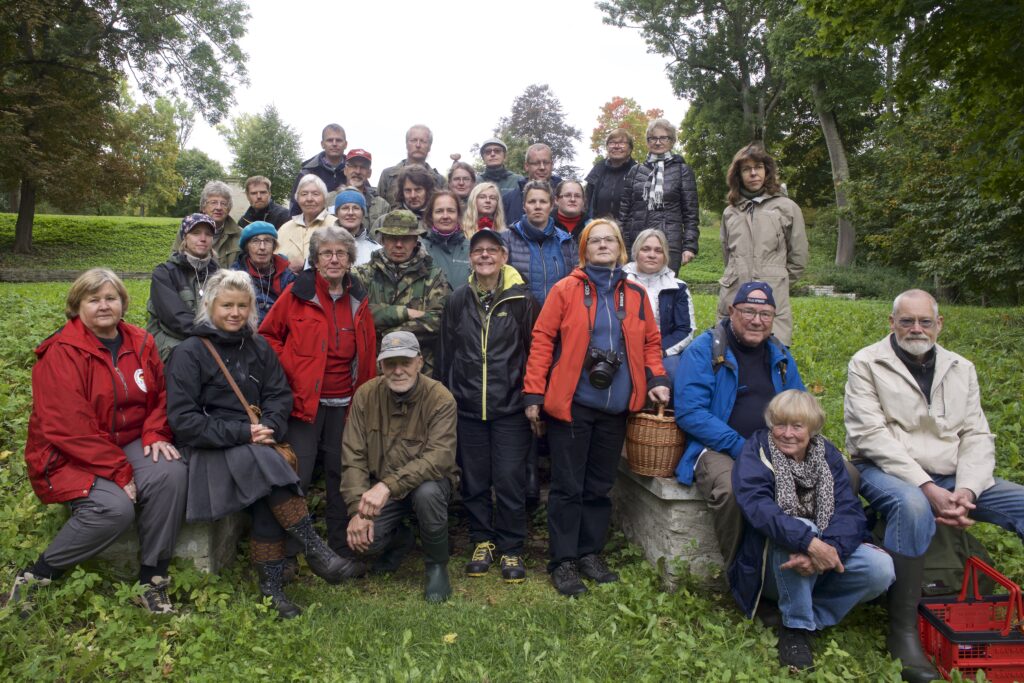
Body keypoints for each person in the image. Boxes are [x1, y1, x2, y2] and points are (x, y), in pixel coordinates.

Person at [845, 289, 1024, 683]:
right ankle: (903, 631)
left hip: (955, 477)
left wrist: (969, 490)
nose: (916, 328)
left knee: (1022, 503)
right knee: (912, 506)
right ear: (891, 323)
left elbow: (977, 435)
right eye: (906, 321)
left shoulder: (962, 367)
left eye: (925, 321)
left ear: (939, 324)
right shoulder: (866, 363)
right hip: (885, 470)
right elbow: (872, 436)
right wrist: (927, 487)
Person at [166, 271, 361, 619]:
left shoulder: (257, 346)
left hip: (254, 450)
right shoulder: (189, 352)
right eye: (227, 305)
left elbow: (278, 394)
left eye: (243, 306)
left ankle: (274, 593)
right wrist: (244, 433)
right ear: (209, 305)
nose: (235, 313)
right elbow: (184, 422)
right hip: (211, 452)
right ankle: (313, 551)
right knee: (272, 471)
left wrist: (269, 425)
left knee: (267, 482)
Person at [8, 269, 188, 616]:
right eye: (93, 299)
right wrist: (120, 471)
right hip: (70, 453)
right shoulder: (61, 352)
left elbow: (162, 396)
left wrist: (154, 433)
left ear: (123, 302)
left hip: (130, 439)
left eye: (111, 298)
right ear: (77, 307)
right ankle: (37, 575)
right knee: (114, 509)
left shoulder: (141, 342)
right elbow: (68, 427)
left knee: (170, 474)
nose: (104, 306)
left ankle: (152, 578)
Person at [524, 219, 671, 597]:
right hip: (573, 405)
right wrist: (534, 393)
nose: (603, 245)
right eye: (595, 241)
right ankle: (564, 560)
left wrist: (657, 379)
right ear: (584, 249)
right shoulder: (565, 290)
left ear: (621, 248)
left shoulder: (635, 294)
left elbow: (652, 343)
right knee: (568, 487)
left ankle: (590, 553)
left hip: (617, 406)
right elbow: (541, 340)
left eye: (610, 240)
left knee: (600, 488)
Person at [732, 390, 894, 671]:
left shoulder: (828, 455)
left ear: (812, 428)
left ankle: (807, 618)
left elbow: (848, 511)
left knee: (880, 568)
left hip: (818, 558)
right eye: (780, 424)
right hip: (773, 565)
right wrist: (809, 541)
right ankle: (796, 629)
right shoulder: (756, 450)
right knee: (801, 525)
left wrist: (828, 548)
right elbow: (758, 507)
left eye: (797, 426)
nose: (787, 433)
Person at [260, 226, 376, 556]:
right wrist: (293, 366)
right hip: (305, 403)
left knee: (343, 474)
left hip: (347, 403)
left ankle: (340, 549)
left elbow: (368, 347)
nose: (334, 259)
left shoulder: (359, 297)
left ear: (351, 259)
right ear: (316, 259)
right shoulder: (299, 293)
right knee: (299, 473)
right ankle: (295, 551)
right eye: (327, 253)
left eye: (341, 253)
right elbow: (268, 336)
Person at [673, 282, 805, 570]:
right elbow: (691, 412)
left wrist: (796, 441)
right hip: (717, 448)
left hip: (777, 444)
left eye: (766, 314)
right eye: (749, 311)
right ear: (732, 311)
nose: (757, 321)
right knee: (734, 490)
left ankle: (806, 561)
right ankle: (742, 572)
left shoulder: (780, 354)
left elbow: (800, 405)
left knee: (841, 474)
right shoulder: (704, 349)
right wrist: (742, 447)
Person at [436, 229, 539, 583]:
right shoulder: (457, 300)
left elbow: (535, 353)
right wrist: (448, 399)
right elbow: (446, 354)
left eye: (491, 250)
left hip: (510, 406)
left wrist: (532, 398)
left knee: (510, 479)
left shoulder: (522, 300)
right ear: (471, 258)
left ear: (503, 256)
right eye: (477, 251)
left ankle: (511, 547)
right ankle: (483, 540)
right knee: (475, 480)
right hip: (467, 408)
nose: (484, 256)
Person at [340, 331, 459, 602]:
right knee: (361, 543)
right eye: (390, 363)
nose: (398, 371)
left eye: (405, 362)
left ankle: (437, 566)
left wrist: (386, 486)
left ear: (419, 362)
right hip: (384, 492)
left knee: (427, 493)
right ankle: (400, 540)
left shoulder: (441, 398)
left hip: (429, 484)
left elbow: (439, 458)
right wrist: (356, 509)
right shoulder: (365, 395)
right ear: (380, 365)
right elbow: (353, 456)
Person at [718, 144, 808, 346]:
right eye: (746, 169)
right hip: (734, 292)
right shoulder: (730, 212)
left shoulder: (787, 208)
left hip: (773, 293)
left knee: (773, 355)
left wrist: (777, 280)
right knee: (731, 354)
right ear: (738, 175)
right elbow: (727, 255)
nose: (753, 173)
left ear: (766, 171)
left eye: (758, 167)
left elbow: (799, 258)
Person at [354, 210, 450, 375]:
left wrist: (387, 334)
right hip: (373, 370)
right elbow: (357, 315)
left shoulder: (433, 276)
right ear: (383, 240)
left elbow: (436, 321)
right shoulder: (363, 274)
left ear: (415, 241)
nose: (399, 245)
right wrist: (404, 312)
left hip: (420, 372)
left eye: (405, 239)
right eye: (392, 238)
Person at [619, 118, 699, 272]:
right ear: (647, 142)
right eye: (653, 138)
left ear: (672, 141)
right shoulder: (635, 171)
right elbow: (624, 212)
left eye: (663, 138)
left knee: (664, 293)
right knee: (634, 291)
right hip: (636, 243)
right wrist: (621, 243)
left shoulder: (683, 171)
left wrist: (689, 246)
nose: (657, 142)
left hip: (669, 245)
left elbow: (691, 214)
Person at [623, 228, 694, 379]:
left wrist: (658, 351)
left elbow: (685, 330)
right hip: (625, 348)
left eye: (658, 250)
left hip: (663, 350)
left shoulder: (678, 287)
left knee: (674, 375)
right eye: (646, 249)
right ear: (636, 253)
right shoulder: (619, 283)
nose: (652, 255)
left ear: (665, 256)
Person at [147, 213, 220, 361]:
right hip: (171, 339)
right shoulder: (164, 273)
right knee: (190, 355)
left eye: (208, 234)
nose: (203, 238)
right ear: (185, 238)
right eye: (196, 233)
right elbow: (176, 318)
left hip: (212, 338)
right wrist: (215, 333)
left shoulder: (220, 275)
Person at [502, 180, 575, 307]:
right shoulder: (507, 239)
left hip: (557, 319)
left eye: (543, 201)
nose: (537, 206)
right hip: (520, 320)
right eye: (532, 202)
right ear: (524, 206)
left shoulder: (566, 241)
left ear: (551, 205)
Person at [230, 221, 295, 323]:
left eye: (268, 241)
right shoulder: (235, 275)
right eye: (255, 241)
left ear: (274, 246)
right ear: (247, 247)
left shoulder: (288, 276)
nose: (262, 247)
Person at [171, 181, 242, 268]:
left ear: (229, 208)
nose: (218, 207)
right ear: (203, 207)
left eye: (223, 203)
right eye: (213, 202)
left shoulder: (239, 234)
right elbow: (174, 261)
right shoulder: (188, 230)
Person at [278, 174, 337, 273]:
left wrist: (305, 264)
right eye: (304, 194)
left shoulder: (335, 225)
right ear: (297, 199)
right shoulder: (285, 228)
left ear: (325, 198)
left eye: (315, 194)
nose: (309, 199)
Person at [376, 125, 445, 206]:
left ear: (429, 146)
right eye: (414, 140)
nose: (418, 145)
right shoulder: (388, 175)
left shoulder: (440, 181)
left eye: (423, 141)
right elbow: (379, 208)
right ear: (406, 144)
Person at [289, 123, 348, 215]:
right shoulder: (307, 173)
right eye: (330, 140)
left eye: (339, 140)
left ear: (345, 144)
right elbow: (295, 208)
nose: (334, 144)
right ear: (322, 144)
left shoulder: (355, 172)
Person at [370, 164, 435, 239]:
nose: (413, 195)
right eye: (408, 190)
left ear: (427, 191)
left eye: (418, 190)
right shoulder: (383, 222)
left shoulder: (437, 222)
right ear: (401, 192)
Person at [502, 143, 563, 223]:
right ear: (526, 166)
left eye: (546, 162)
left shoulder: (565, 196)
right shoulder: (509, 200)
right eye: (536, 163)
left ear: (552, 165)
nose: (542, 167)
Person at [585, 128, 637, 219]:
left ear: (630, 149)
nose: (616, 146)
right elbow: (587, 201)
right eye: (612, 143)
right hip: (598, 227)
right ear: (607, 147)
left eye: (622, 143)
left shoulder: (637, 171)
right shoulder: (598, 169)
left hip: (628, 229)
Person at [422, 190, 471, 286]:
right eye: (439, 211)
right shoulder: (420, 248)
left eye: (451, 211)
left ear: (458, 215)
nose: (445, 216)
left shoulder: (471, 248)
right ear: (431, 215)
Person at [341, 148, 390, 234]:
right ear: (345, 170)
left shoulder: (382, 205)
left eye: (363, 167)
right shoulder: (330, 199)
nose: (358, 171)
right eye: (353, 166)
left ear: (369, 173)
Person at [333, 188, 380, 266]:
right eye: (345, 208)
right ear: (337, 213)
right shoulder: (322, 245)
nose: (350, 213)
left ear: (363, 213)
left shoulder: (376, 250)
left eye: (356, 208)